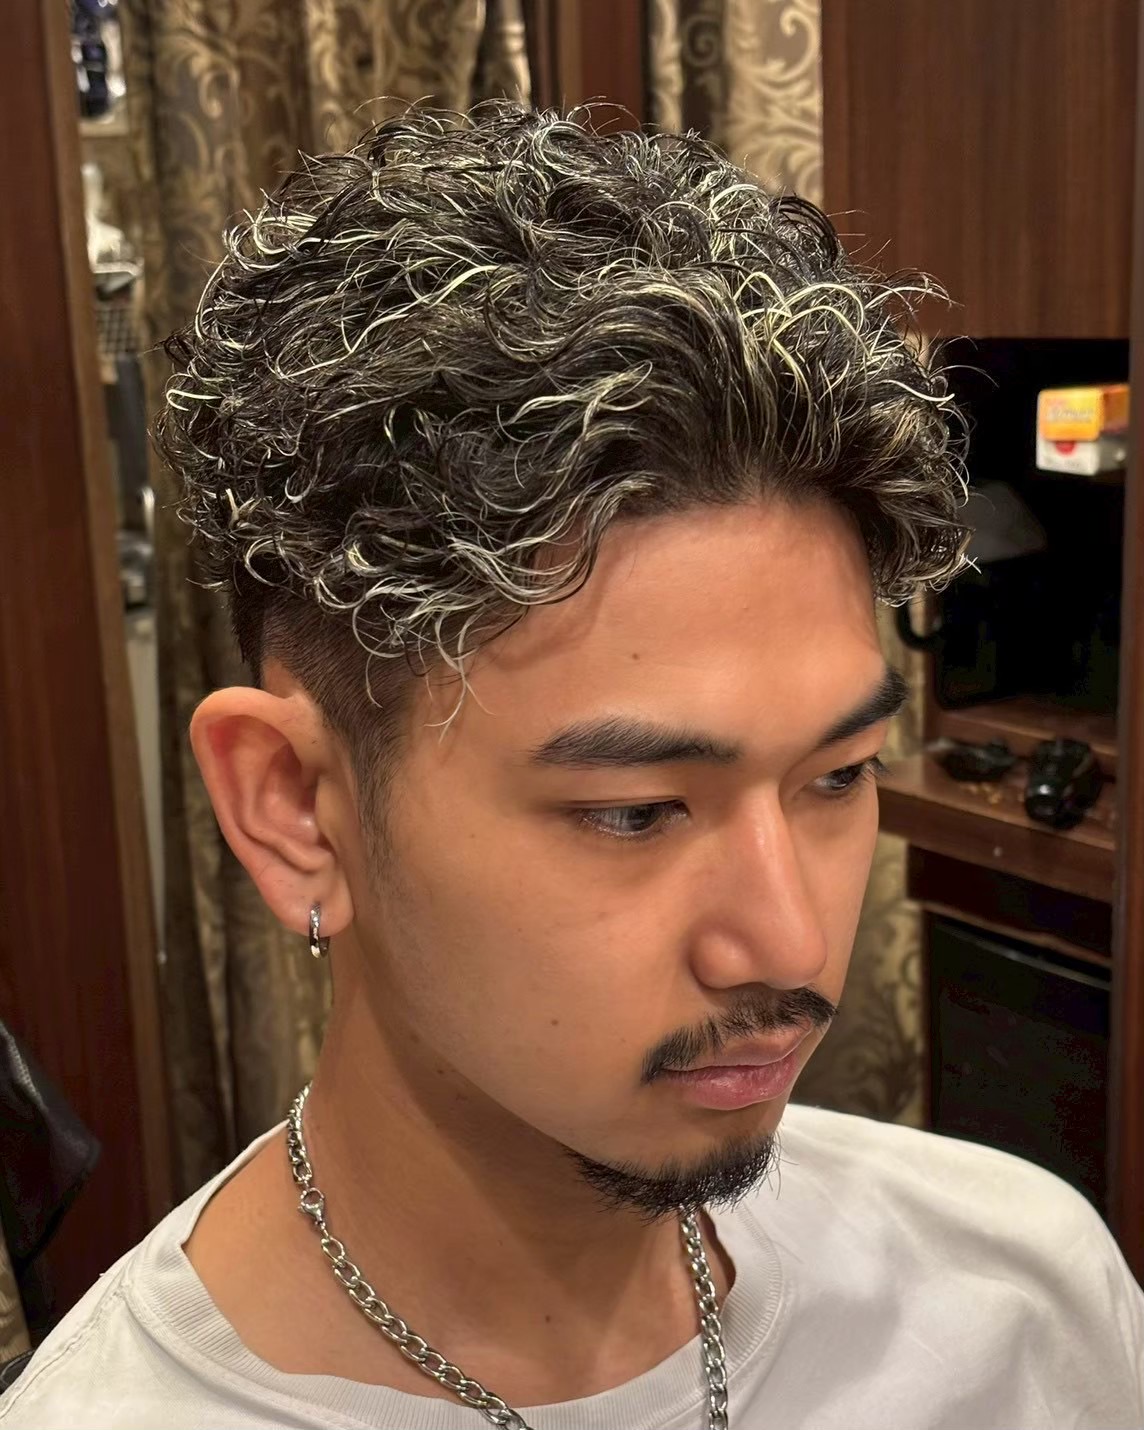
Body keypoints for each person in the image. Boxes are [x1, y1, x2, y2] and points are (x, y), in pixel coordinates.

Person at [4, 101, 1141, 1430]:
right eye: (637, 811)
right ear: (296, 808)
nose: (789, 942)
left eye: (837, 776)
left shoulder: (1021, 1306)